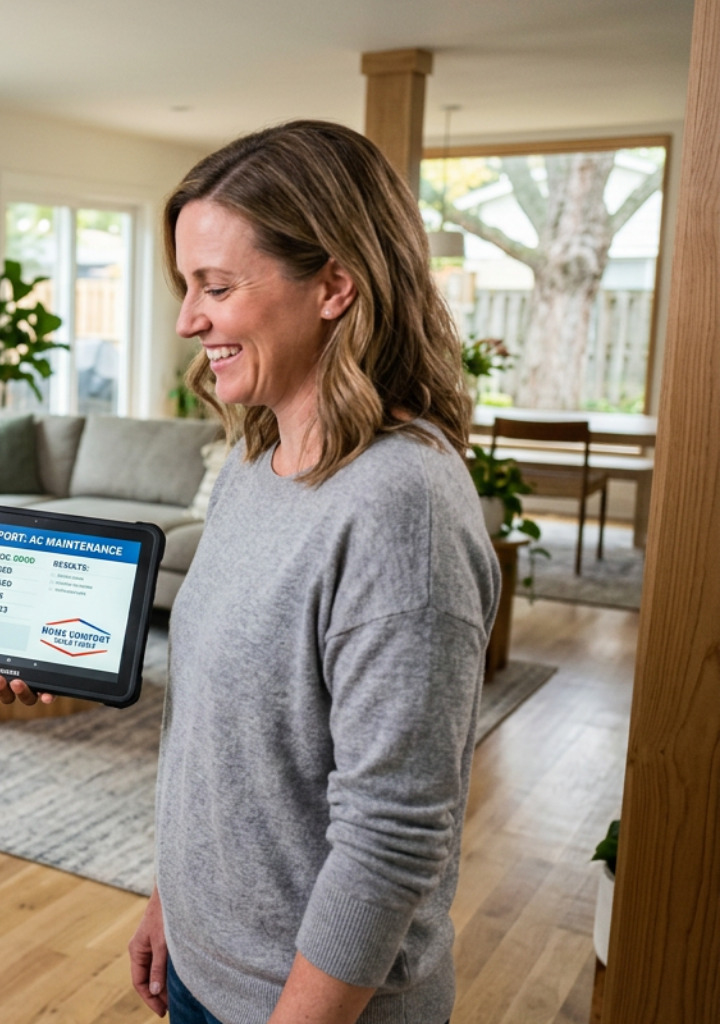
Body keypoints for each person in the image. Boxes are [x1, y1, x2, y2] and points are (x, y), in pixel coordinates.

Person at [120, 120, 502, 1024]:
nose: (187, 320)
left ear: (334, 285)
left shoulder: (399, 502)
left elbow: (392, 834)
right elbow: (221, 740)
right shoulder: (258, 461)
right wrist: (172, 895)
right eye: (186, 285)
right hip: (204, 970)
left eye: (216, 286)